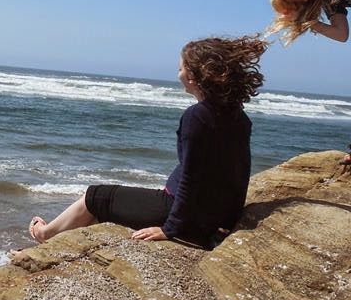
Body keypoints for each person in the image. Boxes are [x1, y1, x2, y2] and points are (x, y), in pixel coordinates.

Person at [21, 36, 267, 251]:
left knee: (95, 196)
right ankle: (53, 245)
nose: (178, 73)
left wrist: (170, 229)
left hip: (181, 211)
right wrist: (228, 220)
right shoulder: (238, 116)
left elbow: (191, 177)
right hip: (207, 214)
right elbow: (239, 173)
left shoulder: (197, 116)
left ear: (193, 75)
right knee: (104, 209)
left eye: (180, 68)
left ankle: (44, 235)